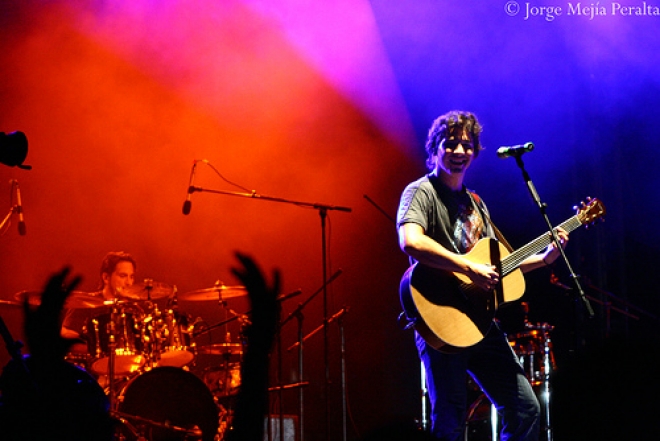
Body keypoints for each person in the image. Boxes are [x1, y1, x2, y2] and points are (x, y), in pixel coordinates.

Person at [396, 110, 568, 441]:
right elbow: (411, 242)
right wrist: (466, 267)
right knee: (450, 418)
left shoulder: (476, 204)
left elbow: (500, 265)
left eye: (466, 145)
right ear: (435, 148)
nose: (459, 152)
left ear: (475, 152)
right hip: (440, 319)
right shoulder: (421, 192)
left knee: (526, 409)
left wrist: (544, 260)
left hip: (480, 322)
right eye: (450, 144)